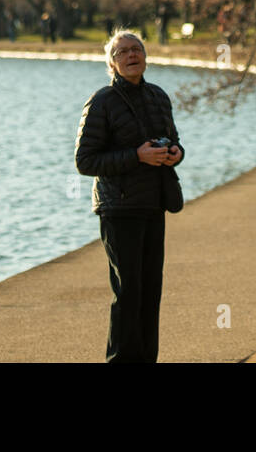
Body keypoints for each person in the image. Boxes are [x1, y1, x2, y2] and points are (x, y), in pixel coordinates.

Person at [75, 30, 184, 363]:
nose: (131, 55)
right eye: (123, 51)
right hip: (119, 207)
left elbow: (174, 140)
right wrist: (136, 156)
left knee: (151, 293)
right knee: (128, 293)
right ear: (112, 62)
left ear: (146, 57)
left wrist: (175, 153)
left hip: (154, 203)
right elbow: (85, 161)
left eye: (137, 49)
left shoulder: (158, 96)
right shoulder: (101, 101)